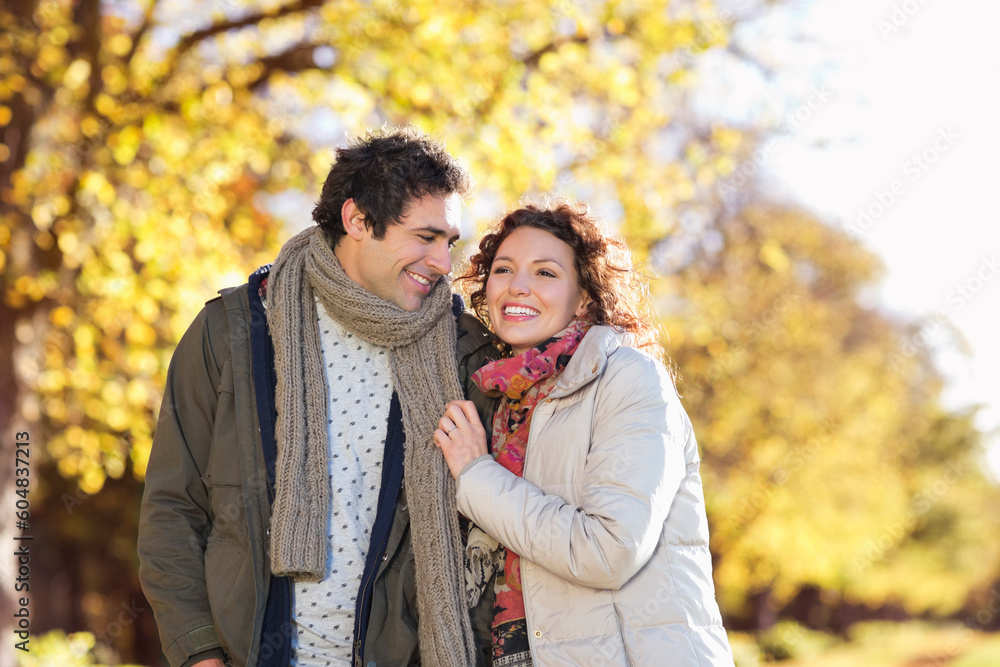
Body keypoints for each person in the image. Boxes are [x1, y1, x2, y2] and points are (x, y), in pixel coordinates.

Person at [138, 126, 496, 667]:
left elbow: (487, 542)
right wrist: (199, 654)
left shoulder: (464, 352)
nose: (444, 264)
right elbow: (173, 509)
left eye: (449, 242)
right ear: (357, 220)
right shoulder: (233, 332)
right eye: (425, 237)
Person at [434, 201, 735, 666]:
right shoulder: (495, 398)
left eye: (546, 273)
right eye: (504, 269)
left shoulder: (629, 381)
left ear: (584, 297)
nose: (518, 286)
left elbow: (608, 551)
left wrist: (476, 475)